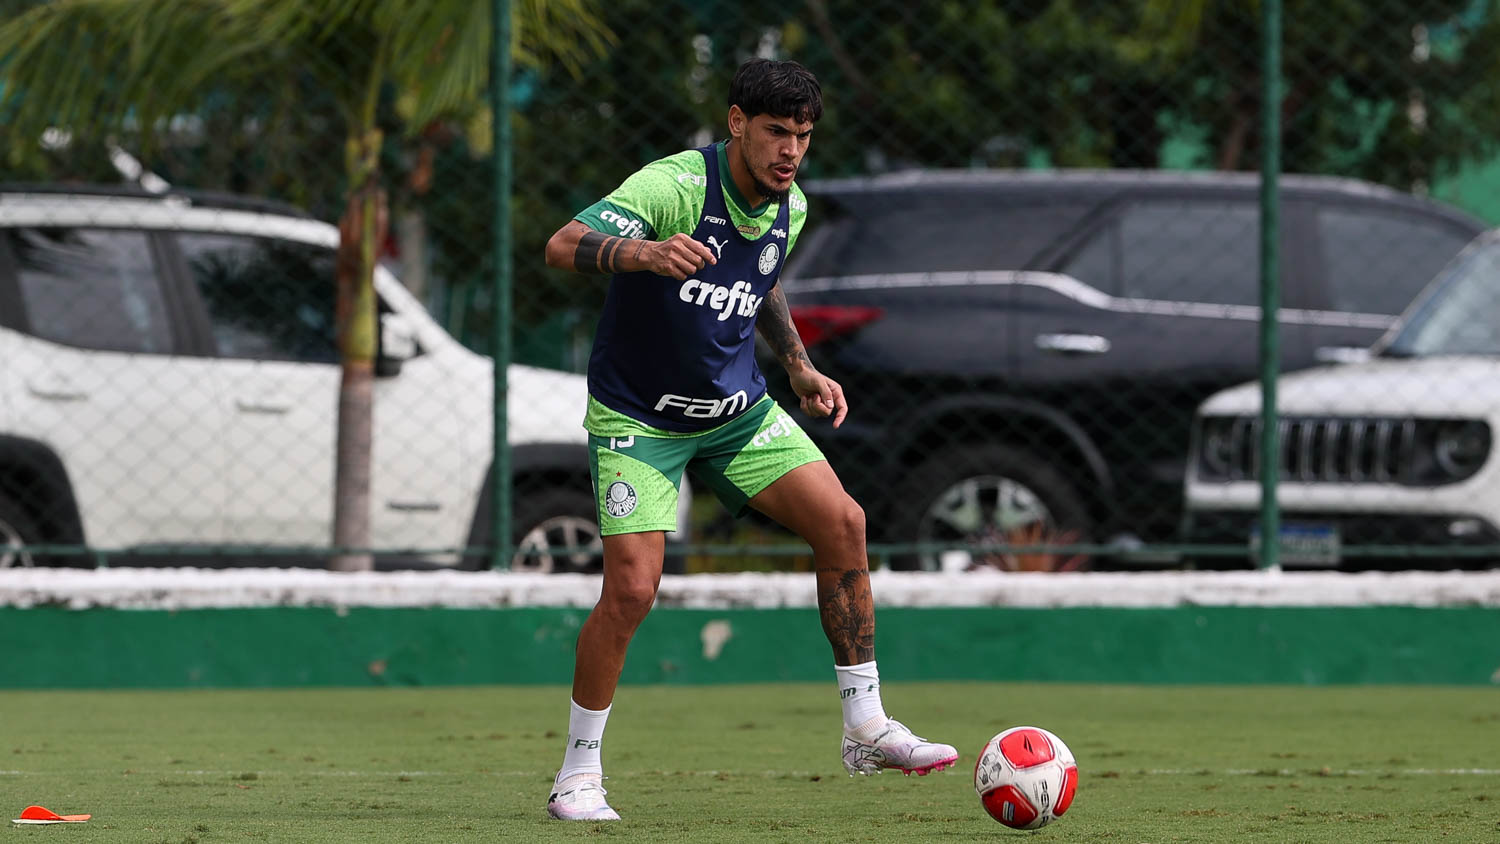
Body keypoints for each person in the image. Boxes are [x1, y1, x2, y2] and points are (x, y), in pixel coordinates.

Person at [539, 57, 957, 822]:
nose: (790, 150)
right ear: (736, 123)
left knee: (844, 522)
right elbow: (563, 244)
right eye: (775, 132)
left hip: (736, 413)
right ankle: (577, 775)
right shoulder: (674, 187)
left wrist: (797, 364)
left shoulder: (789, 205)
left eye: (803, 135)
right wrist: (645, 252)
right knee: (631, 590)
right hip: (640, 418)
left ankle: (866, 727)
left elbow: (760, 279)